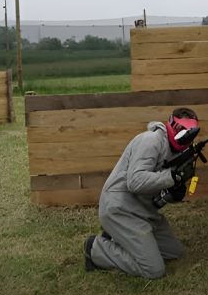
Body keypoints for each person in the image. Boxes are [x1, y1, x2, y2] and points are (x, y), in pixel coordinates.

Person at [84, 107, 201, 278]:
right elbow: (135, 182)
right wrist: (172, 177)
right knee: (154, 269)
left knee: (173, 251)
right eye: (181, 130)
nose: (185, 137)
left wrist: (177, 191)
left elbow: (161, 188)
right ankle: (96, 249)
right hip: (120, 208)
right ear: (171, 125)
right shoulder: (151, 140)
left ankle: (121, 239)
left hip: (144, 211)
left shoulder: (178, 153)